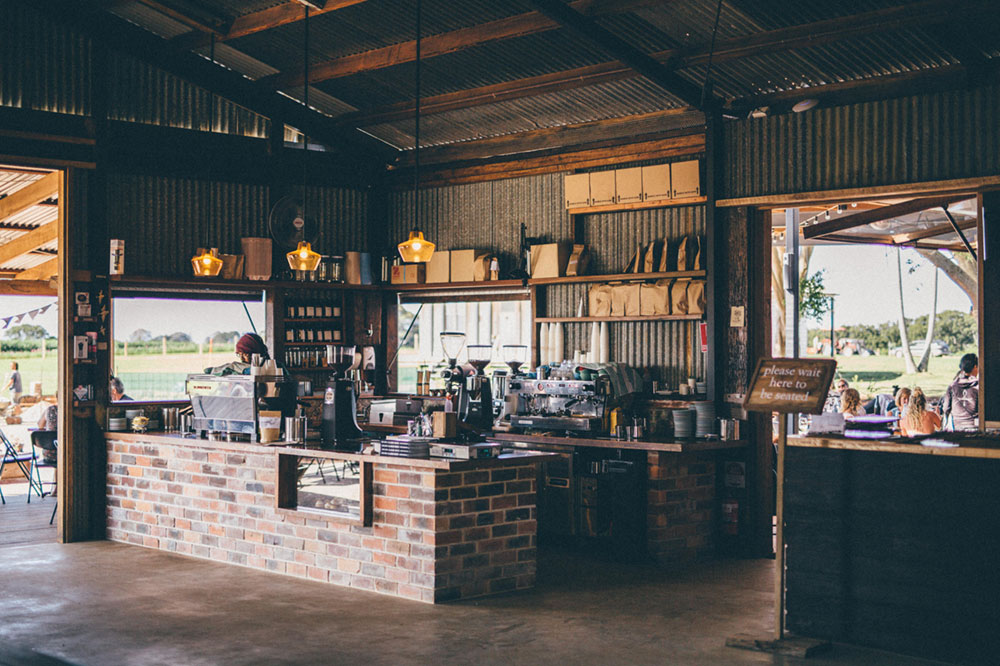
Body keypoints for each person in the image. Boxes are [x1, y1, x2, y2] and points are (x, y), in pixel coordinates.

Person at [940, 353, 979, 431]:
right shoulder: (979, 386)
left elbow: (946, 408)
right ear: (975, 367)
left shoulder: (952, 386)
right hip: (975, 424)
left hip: (957, 425)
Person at [206, 333, 270, 376]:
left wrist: (234, 367)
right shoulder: (242, 369)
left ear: (256, 354)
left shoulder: (270, 367)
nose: (242, 359)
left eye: (245, 355)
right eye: (239, 355)